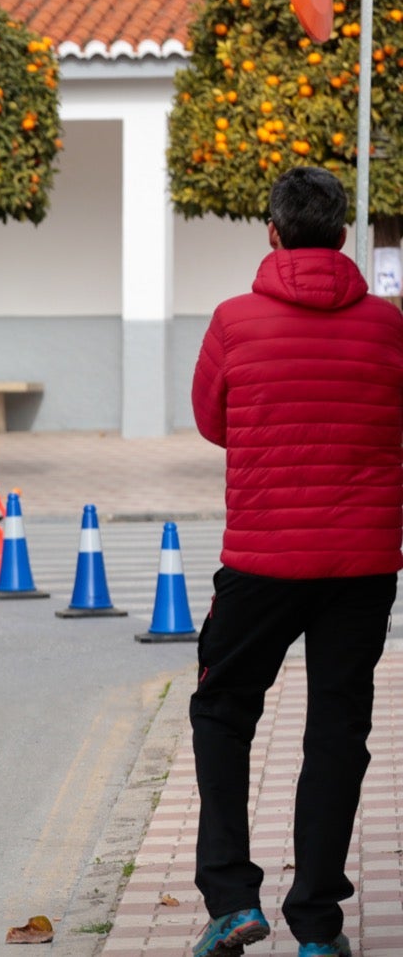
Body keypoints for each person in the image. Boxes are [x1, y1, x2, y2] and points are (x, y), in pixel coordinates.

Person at [187, 166, 403, 957]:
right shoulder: (387, 325)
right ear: (343, 236)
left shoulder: (233, 320)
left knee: (222, 710)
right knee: (337, 730)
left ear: (272, 233)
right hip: (363, 563)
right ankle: (317, 924)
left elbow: (214, 421)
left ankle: (232, 899)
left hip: (261, 560)